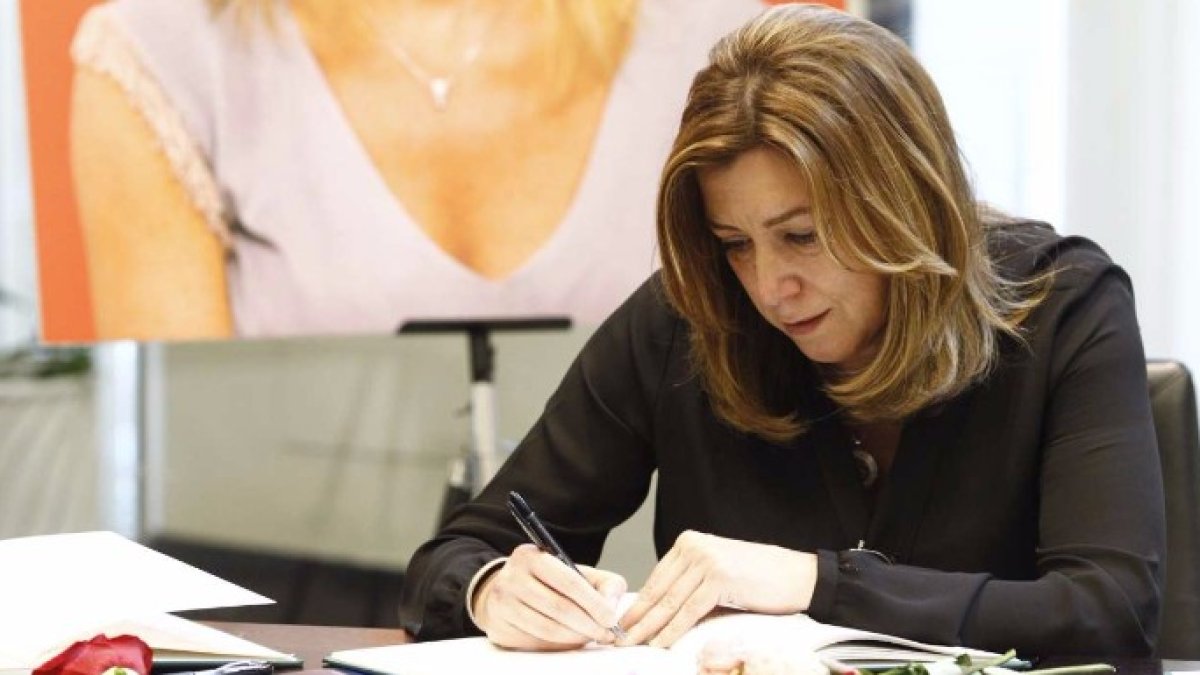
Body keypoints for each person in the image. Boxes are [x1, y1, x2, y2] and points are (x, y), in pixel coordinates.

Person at [397, 3, 1165, 660]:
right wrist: (494, 588)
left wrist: (811, 580)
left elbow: (1111, 610)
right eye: (736, 243)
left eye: (801, 235)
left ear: (901, 203)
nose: (769, 286)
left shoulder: (1062, 304)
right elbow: (454, 557)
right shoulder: (687, 318)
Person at [67, 0, 763, 339]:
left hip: (678, 597)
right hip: (300, 603)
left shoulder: (712, 31)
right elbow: (185, 458)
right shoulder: (161, 51)